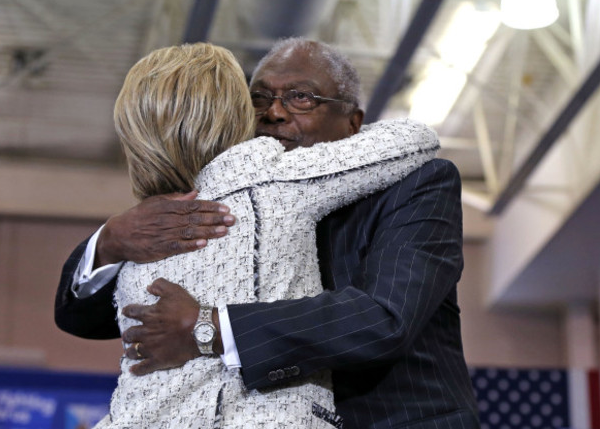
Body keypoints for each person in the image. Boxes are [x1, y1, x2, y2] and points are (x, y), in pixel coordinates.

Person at [56, 38, 480, 428]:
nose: (274, 112)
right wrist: (109, 243)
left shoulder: (418, 183)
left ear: (353, 123)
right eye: (259, 99)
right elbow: (94, 319)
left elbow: (384, 320)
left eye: (301, 98)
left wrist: (209, 328)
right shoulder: (213, 201)